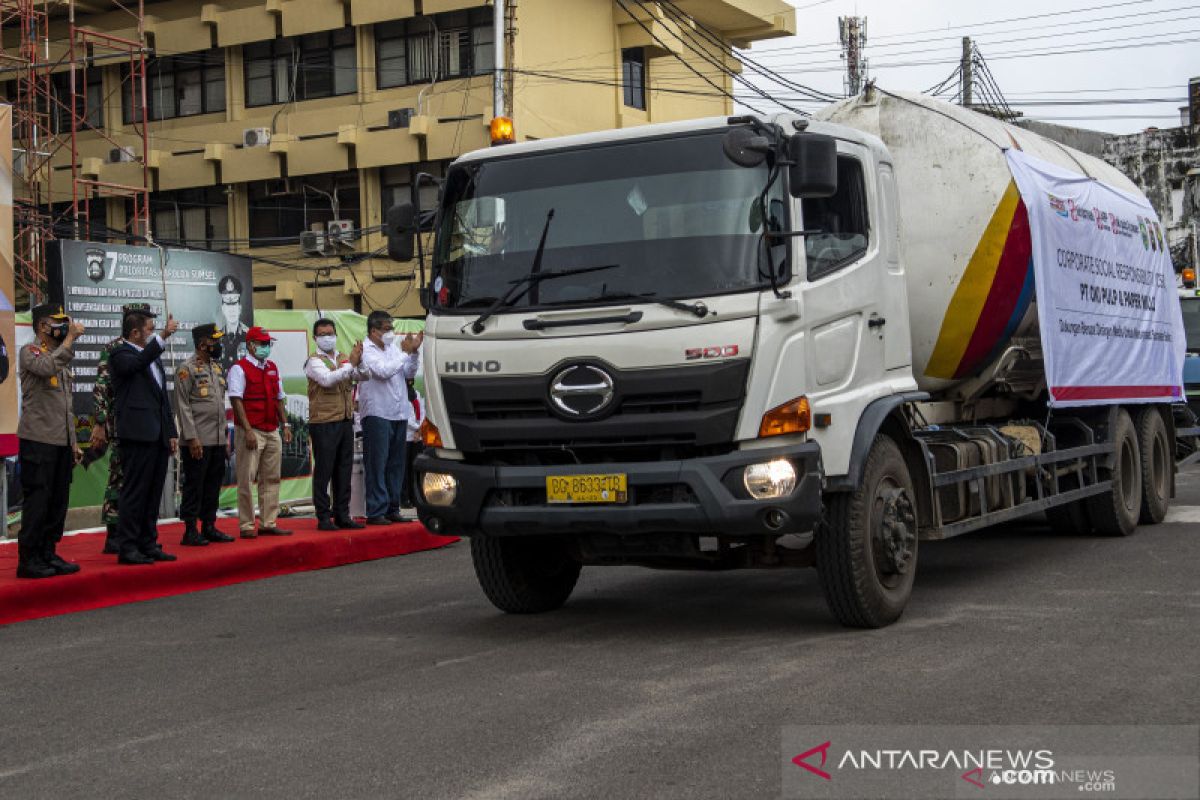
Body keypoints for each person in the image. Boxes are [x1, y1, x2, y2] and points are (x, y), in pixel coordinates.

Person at [15, 304, 84, 578]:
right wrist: (69, 339)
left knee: (58, 501)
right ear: (43, 327)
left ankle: (47, 552)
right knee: (38, 500)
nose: (63, 327)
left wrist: (74, 442)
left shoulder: (61, 359)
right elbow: (46, 367)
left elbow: (65, 406)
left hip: (60, 442)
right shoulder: (31, 352)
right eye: (58, 323)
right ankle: (28, 558)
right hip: (38, 440)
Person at [110, 309, 180, 565]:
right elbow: (133, 367)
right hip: (137, 433)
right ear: (134, 332)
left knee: (153, 492)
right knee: (135, 492)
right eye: (150, 329)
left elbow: (162, 396)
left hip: (158, 433)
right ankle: (127, 546)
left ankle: (148, 543)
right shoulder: (121, 353)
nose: (152, 333)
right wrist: (162, 337)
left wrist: (171, 432)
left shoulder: (152, 356)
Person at [89, 302, 155, 555]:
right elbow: (102, 388)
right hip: (120, 424)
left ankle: (136, 533)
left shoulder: (146, 349)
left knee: (139, 480)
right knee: (119, 478)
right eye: (144, 319)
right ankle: (114, 534)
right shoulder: (115, 349)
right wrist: (100, 423)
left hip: (143, 426)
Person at [228, 325, 293, 538]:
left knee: (272, 478)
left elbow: (279, 398)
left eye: (268, 344)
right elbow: (236, 400)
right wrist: (247, 430)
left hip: (272, 429)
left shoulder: (272, 367)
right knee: (247, 479)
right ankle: (247, 525)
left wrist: (286, 425)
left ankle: (268, 522)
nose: (266, 347)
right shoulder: (239, 368)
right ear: (251, 345)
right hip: (251, 429)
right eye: (263, 344)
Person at [358, 311, 422, 525]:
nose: (390, 333)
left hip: (398, 412)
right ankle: (376, 510)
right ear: (373, 331)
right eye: (387, 329)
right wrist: (405, 353)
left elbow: (409, 373)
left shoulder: (394, 348)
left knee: (396, 463)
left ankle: (393, 507)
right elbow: (383, 372)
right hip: (378, 412)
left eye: (391, 328)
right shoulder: (366, 351)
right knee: (377, 462)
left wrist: (414, 353)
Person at [175, 323, 236, 547]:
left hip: (217, 439)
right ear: (203, 344)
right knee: (194, 485)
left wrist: (225, 439)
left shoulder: (216, 368)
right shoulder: (186, 368)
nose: (219, 345)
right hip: (197, 440)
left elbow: (219, 405)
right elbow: (182, 406)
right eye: (215, 341)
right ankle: (190, 530)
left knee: (212, 485)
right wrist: (192, 438)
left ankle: (209, 526)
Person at [304, 318, 365, 531]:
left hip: (345, 420)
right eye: (322, 334)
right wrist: (352, 365)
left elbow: (363, 375)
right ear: (315, 338)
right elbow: (328, 379)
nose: (327, 337)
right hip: (323, 423)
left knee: (343, 470)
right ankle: (323, 516)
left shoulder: (343, 357)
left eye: (330, 333)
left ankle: (342, 514)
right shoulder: (313, 361)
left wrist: (360, 361)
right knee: (324, 470)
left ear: (336, 334)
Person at [217, 274, 250, 374]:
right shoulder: (217, 337)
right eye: (228, 305)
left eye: (234, 304)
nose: (231, 310)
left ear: (240, 308)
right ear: (223, 309)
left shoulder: (249, 335)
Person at [402, 376, 425, 510]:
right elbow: (404, 415)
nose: (410, 382)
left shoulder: (417, 393)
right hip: (405, 436)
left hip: (417, 437)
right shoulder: (399, 395)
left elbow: (422, 412)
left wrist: (420, 429)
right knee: (404, 470)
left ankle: (415, 497)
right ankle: (404, 498)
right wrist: (416, 427)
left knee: (415, 469)